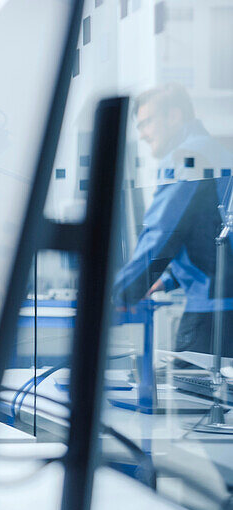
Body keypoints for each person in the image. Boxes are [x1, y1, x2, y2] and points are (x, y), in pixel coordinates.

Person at [113, 83, 233, 358]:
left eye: (147, 123)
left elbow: (163, 232)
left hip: (209, 316)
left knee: (189, 394)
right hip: (222, 307)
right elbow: (211, 234)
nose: (142, 134)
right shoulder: (216, 152)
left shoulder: (188, 156)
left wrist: (120, 293)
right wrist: (165, 280)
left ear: (174, 117)